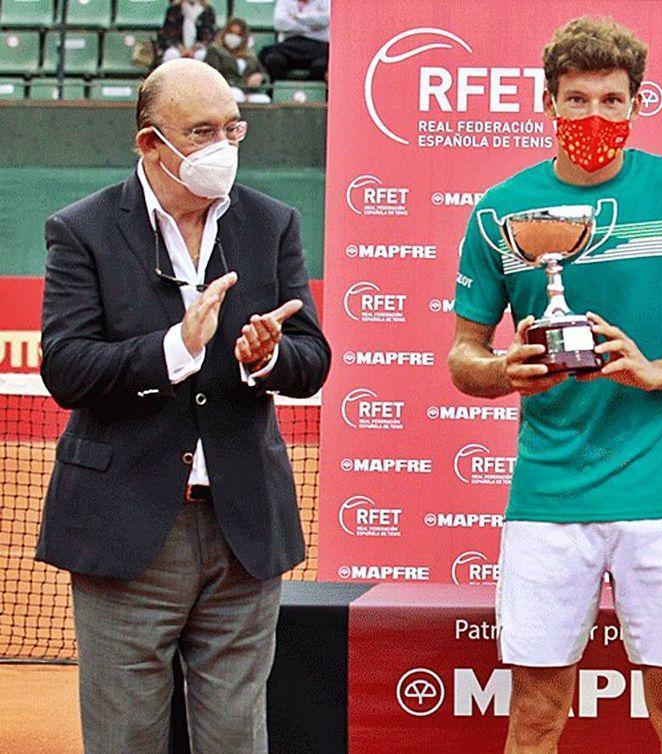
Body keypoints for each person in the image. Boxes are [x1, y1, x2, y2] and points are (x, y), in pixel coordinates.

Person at [448, 17, 662, 754]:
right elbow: (463, 354)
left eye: (612, 101)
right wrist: (502, 371)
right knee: (536, 718)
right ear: (547, 103)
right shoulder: (500, 210)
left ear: (637, 104)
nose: (594, 117)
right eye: (577, 100)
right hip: (549, 500)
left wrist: (656, 371)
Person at [37, 59, 330, 752]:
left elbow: (311, 356)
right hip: (127, 533)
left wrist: (266, 357)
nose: (222, 147)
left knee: (236, 737)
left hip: (243, 532)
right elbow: (67, 369)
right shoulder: (81, 231)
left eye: (233, 127)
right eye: (201, 133)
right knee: (125, 738)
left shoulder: (271, 224)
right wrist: (173, 347)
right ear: (149, 143)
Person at [259, 0, 330, 83]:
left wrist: (297, 17)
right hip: (290, 46)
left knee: (321, 65)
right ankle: (280, 91)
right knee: (273, 60)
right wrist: (312, 26)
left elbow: (326, 19)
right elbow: (280, 23)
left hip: (318, 45)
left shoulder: (326, 1)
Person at [206, 17, 270, 103]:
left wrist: (260, 77)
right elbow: (215, 75)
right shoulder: (215, 51)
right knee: (236, 95)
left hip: (249, 92)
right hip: (226, 90)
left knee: (263, 100)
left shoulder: (250, 56)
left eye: (238, 35)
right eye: (231, 33)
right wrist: (241, 88)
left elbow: (265, 75)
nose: (234, 37)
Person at [157, 0, 217, 65]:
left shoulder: (208, 10)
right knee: (171, 55)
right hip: (178, 47)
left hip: (198, 48)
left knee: (201, 56)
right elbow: (167, 34)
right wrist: (180, 47)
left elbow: (210, 35)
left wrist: (195, 48)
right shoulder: (174, 9)